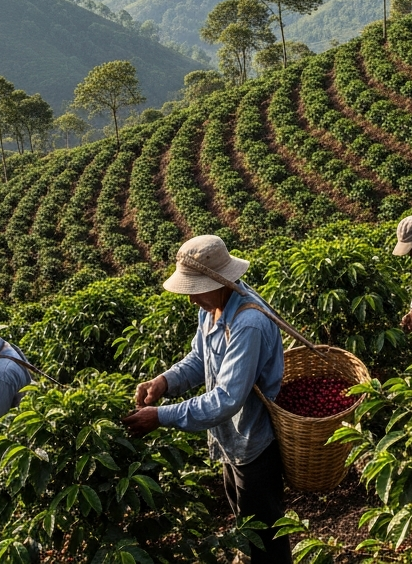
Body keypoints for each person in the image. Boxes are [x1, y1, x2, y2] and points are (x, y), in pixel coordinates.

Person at [122, 235, 290, 564]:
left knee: (267, 542)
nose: (191, 300)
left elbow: (227, 399)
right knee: (248, 530)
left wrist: (161, 416)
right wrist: (164, 381)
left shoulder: (248, 324)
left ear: (220, 281)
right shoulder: (212, 308)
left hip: (254, 446)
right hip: (231, 441)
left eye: (196, 289)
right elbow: (200, 358)